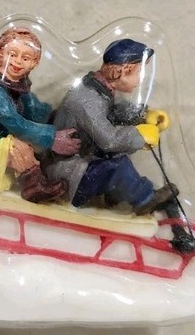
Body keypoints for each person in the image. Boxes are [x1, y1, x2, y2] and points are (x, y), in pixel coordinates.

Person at [46, 39, 177, 216]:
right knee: (116, 166)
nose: (141, 79)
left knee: (115, 159)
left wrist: (143, 115)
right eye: (139, 73)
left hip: (82, 164)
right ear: (121, 71)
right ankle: (145, 200)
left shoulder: (97, 90)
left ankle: (115, 194)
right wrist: (140, 135)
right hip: (69, 176)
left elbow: (113, 111)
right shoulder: (87, 101)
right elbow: (109, 141)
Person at [0, 27, 80, 203]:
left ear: (34, 63)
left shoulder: (16, 86)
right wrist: (52, 137)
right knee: (18, 147)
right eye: (12, 54)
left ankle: (42, 172)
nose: (17, 61)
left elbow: (32, 107)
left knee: (31, 141)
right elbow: (17, 124)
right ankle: (33, 188)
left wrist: (54, 115)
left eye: (25, 58)